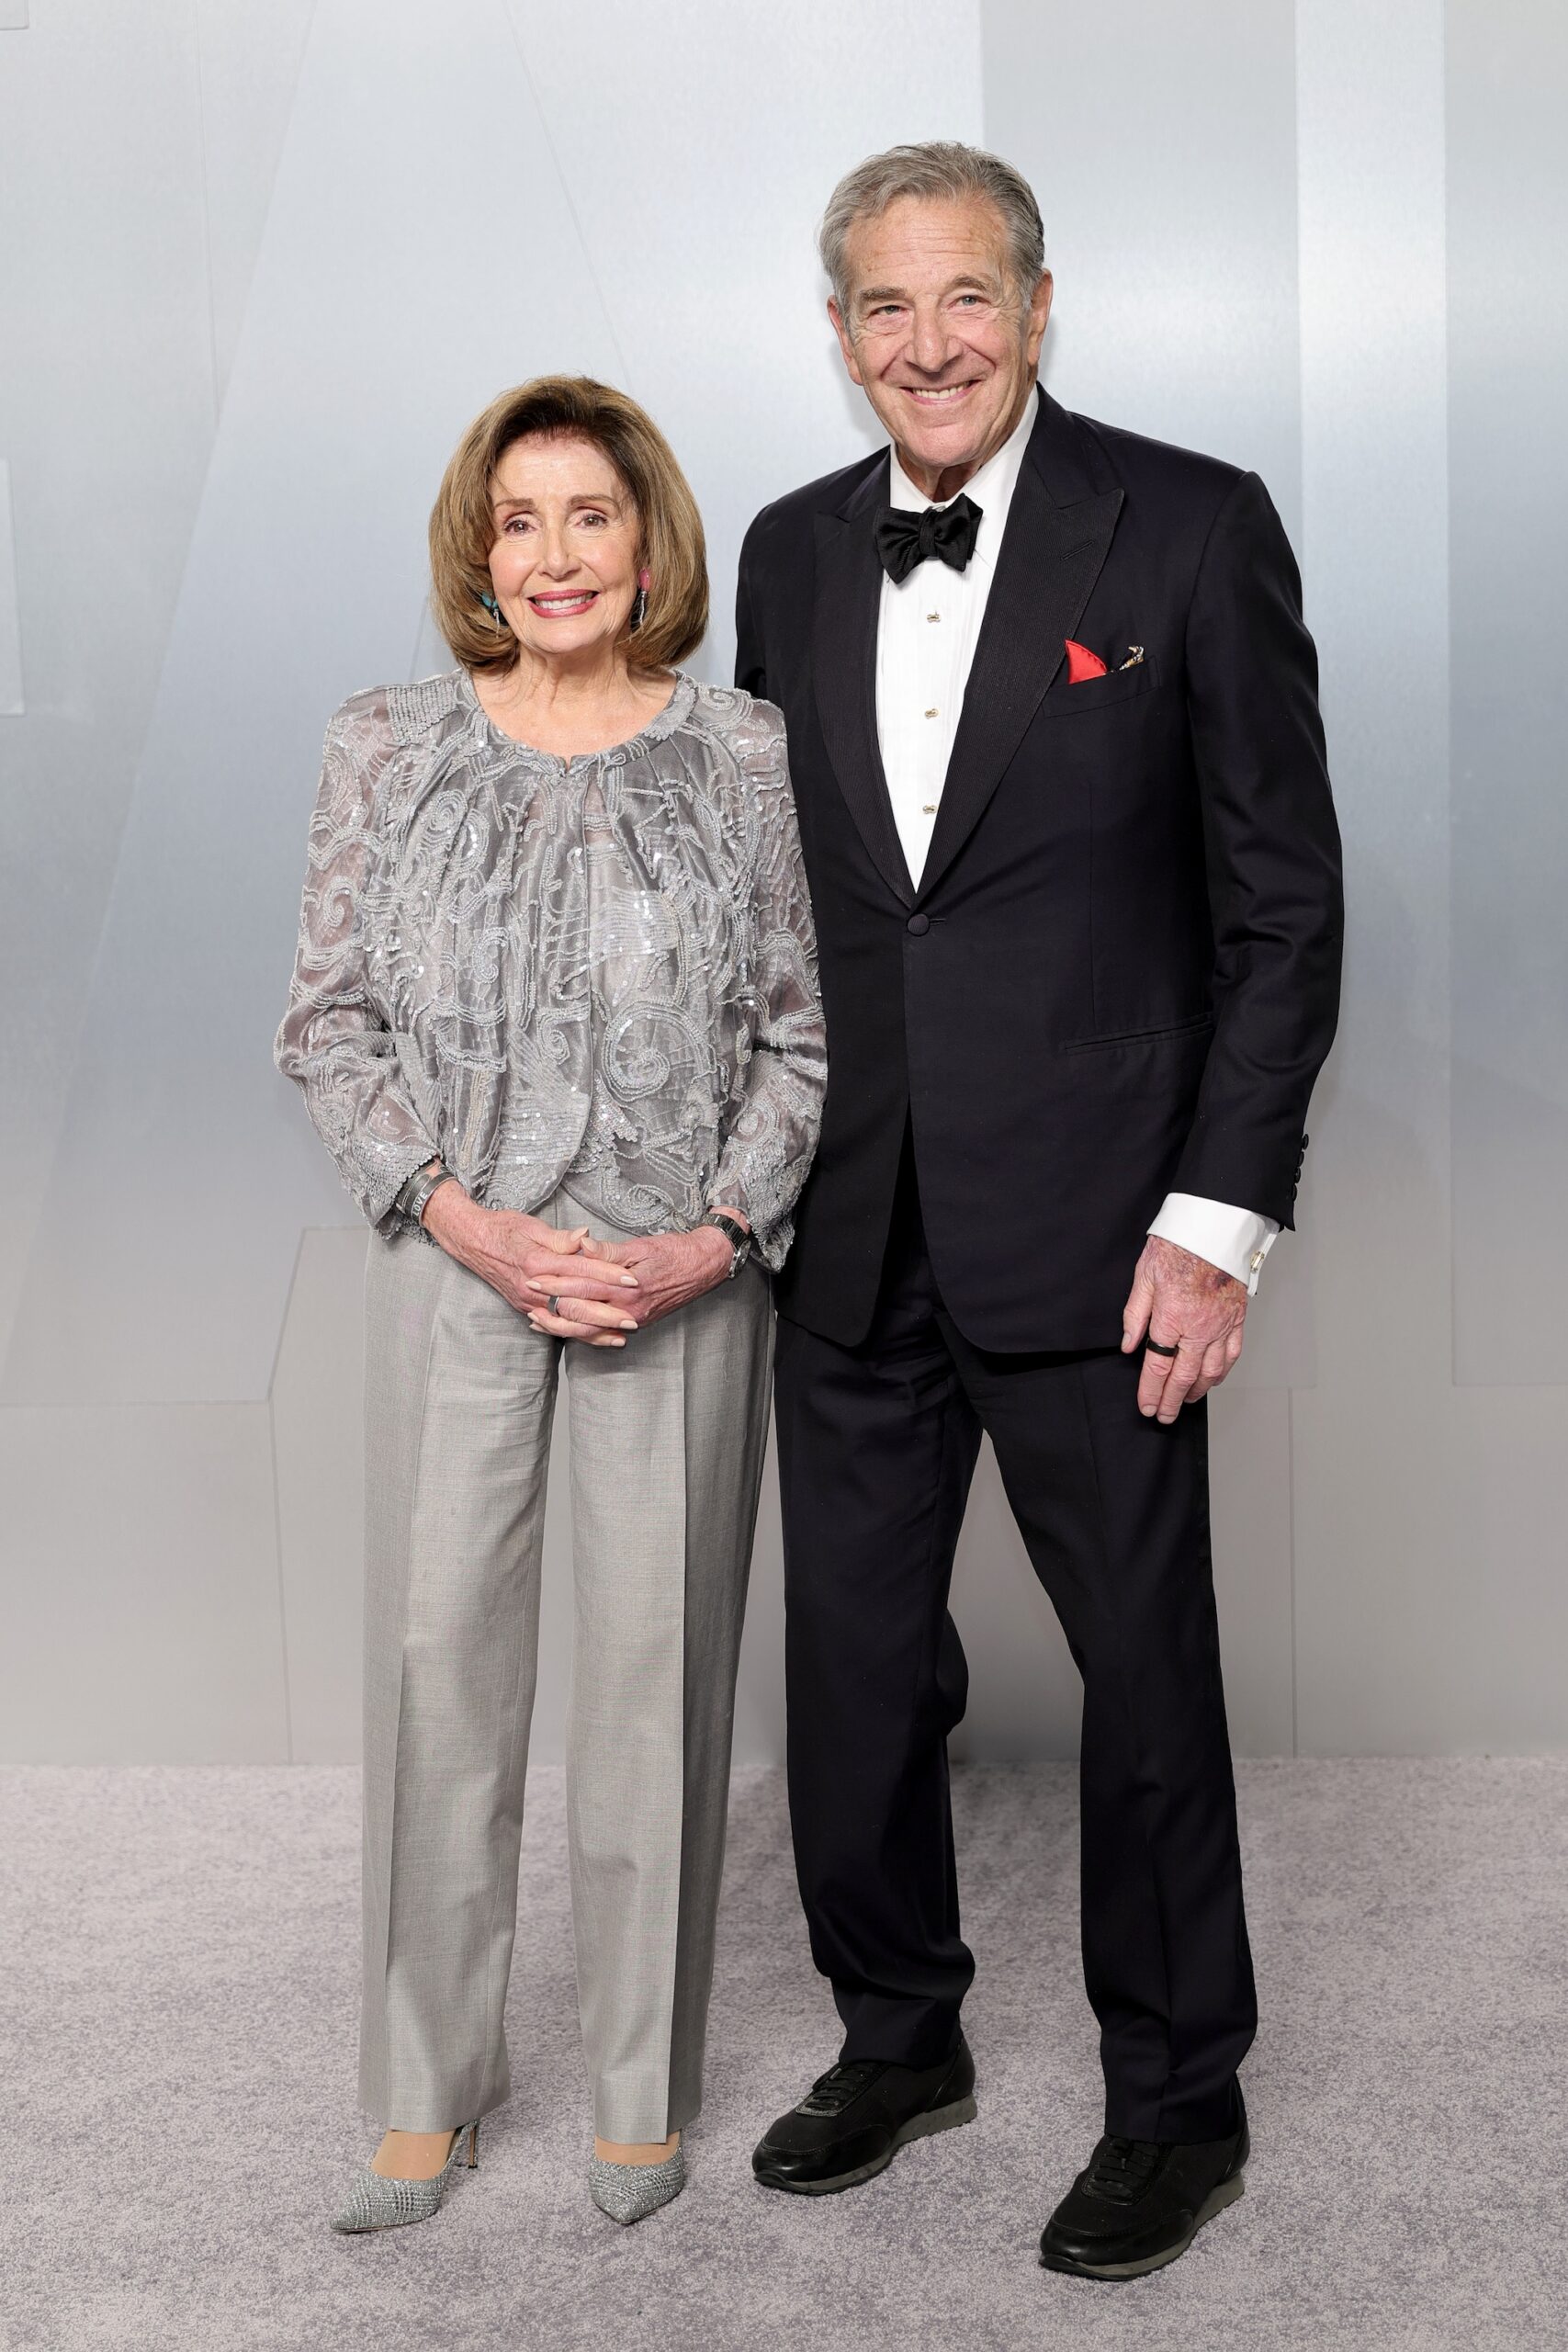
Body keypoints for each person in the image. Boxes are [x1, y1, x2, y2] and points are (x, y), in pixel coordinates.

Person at [736, 143, 1342, 2278]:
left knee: (1143, 1682)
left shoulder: (1186, 524)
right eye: (881, 308)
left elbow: (1279, 906)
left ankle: (1178, 2093)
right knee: (848, 1672)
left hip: (1105, 1223)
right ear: (837, 333)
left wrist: (1218, 1216)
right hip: (848, 1212)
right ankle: (898, 2033)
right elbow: (789, 907)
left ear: (1038, 301)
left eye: (964, 297)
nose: (927, 343)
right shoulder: (790, 554)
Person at [276, 375, 825, 2233]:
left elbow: (797, 1037)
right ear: (476, 548)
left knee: (654, 1687)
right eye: (519, 521)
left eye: (589, 515)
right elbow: (328, 1021)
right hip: (460, 1268)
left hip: (678, 1277)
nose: (554, 555)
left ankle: (634, 2084)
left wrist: (711, 1232)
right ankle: (423, 2085)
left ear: (646, 539)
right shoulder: (385, 742)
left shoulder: (739, 750)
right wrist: (461, 1218)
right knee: (443, 1674)